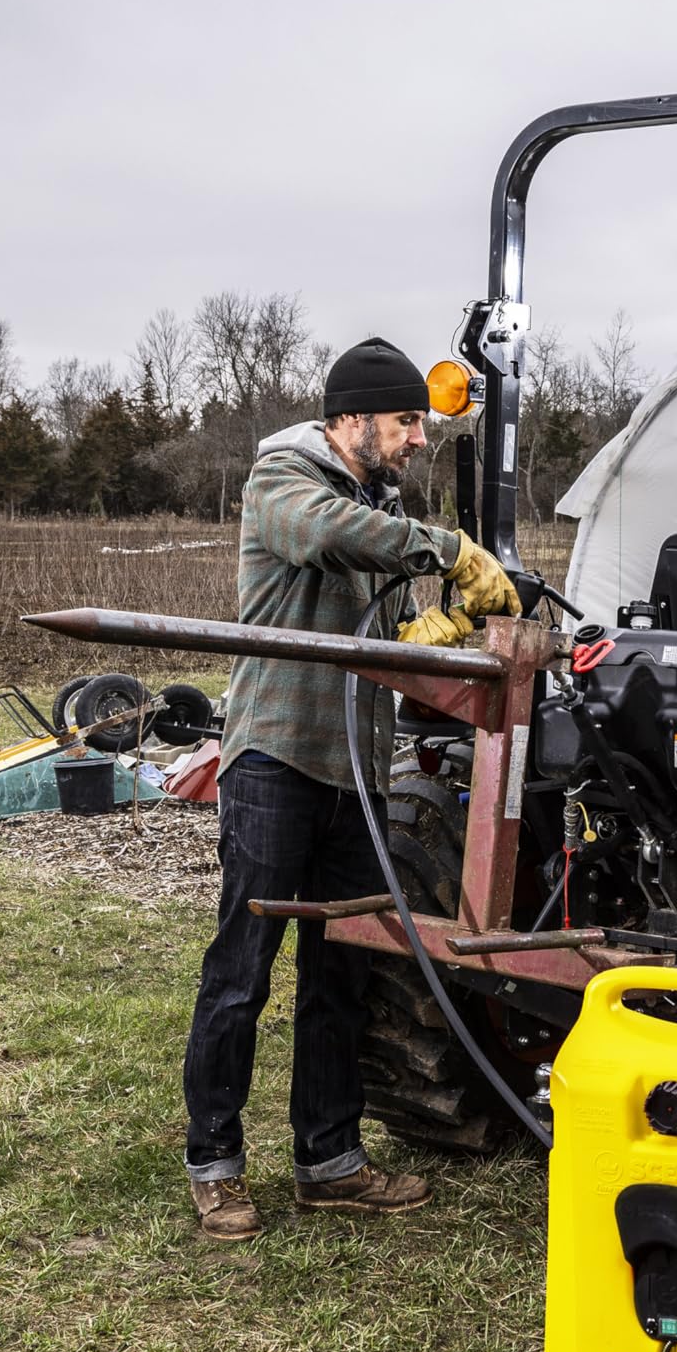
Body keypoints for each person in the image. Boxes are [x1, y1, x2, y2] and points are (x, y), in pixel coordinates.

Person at [181, 336, 521, 1241]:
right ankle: (214, 1163)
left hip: (360, 772)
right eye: (407, 420)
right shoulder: (285, 480)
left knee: (341, 973)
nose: (419, 439)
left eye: (423, 423)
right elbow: (328, 537)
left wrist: (442, 630)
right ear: (352, 419)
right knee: (242, 974)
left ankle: (327, 1161)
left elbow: (387, 632)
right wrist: (446, 548)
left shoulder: (380, 502)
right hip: (277, 761)